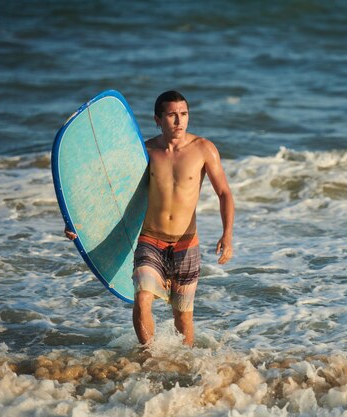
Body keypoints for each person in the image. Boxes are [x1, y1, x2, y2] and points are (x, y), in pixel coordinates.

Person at [66, 90, 234, 347]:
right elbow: (106, 190)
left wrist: (227, 234)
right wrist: (76, 223)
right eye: (172, 115)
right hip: (150, 240)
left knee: (183, 315)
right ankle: (148, 357)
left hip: (186, 243)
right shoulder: (145, 152)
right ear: (157, 119)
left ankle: (185, 364)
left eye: (184, 114)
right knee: (143, 298)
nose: (179, 121)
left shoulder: (203, 149)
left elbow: (224, 193)